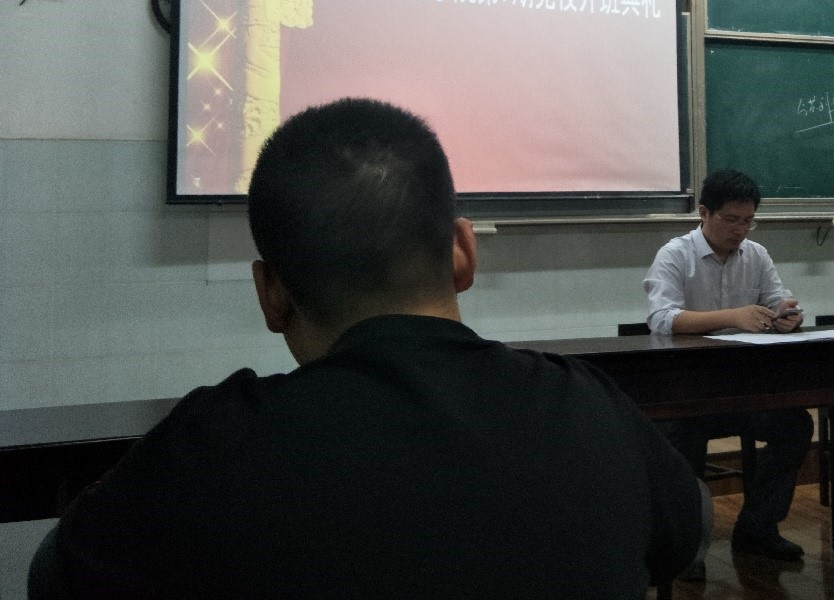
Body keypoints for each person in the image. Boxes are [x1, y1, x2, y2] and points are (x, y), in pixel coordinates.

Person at [29, 98, 703, 600]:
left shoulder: (208, 448)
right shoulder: (588, 405)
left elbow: (57, 577)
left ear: (270, 294)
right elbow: (685, 530)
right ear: (463, 253)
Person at [643, 168, 814, 574]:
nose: (740, 230)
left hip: (742, 388)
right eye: (731, 220)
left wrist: (788, 316)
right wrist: (733, 316)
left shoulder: (756, 254)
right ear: (704, 213)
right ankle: (685, 547)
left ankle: (757, 527)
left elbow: (778, 300)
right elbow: (662, 319)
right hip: (686, 391)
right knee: (683, 437)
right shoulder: (675, 254)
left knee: (794, 425)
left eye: (748, 221)